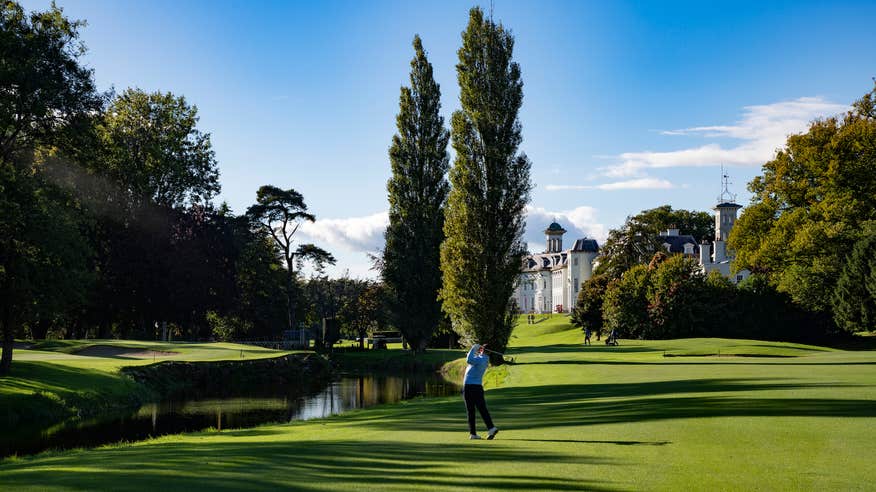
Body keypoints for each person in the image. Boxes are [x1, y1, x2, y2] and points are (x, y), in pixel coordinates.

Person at [463, 343, 499, 440]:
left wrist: (474, 347)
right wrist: (476, 350)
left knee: (471, 411)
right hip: (477, 387)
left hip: (470, 387)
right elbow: (471, 358)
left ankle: (473, 434)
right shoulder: (483, 359)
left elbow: (468, 359)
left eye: (481, 348)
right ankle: (491, 428)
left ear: (482, 350)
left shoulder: (480, 359)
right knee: (482, 409)